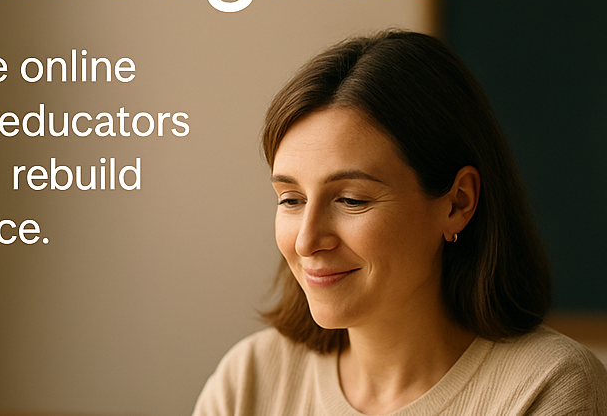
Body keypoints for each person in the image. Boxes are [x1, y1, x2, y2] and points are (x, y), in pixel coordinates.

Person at [192, 30, 607, 416]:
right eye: (291, 199)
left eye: (351, 200)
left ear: (457, 203)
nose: (306, 241)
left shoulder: (548, 387)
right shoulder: (249, 379)